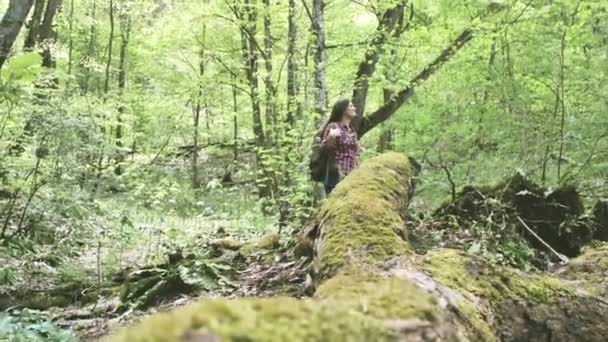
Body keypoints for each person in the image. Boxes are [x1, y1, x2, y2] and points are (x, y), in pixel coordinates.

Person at [320, 99, 361, 194]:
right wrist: (330, 137)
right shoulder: (333, 126)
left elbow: (355, 154)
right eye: (351, 106)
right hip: (336, 176)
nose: (354, 108)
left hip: (352, 175)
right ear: (343, 110)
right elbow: (324, 149)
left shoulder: (351, 130)